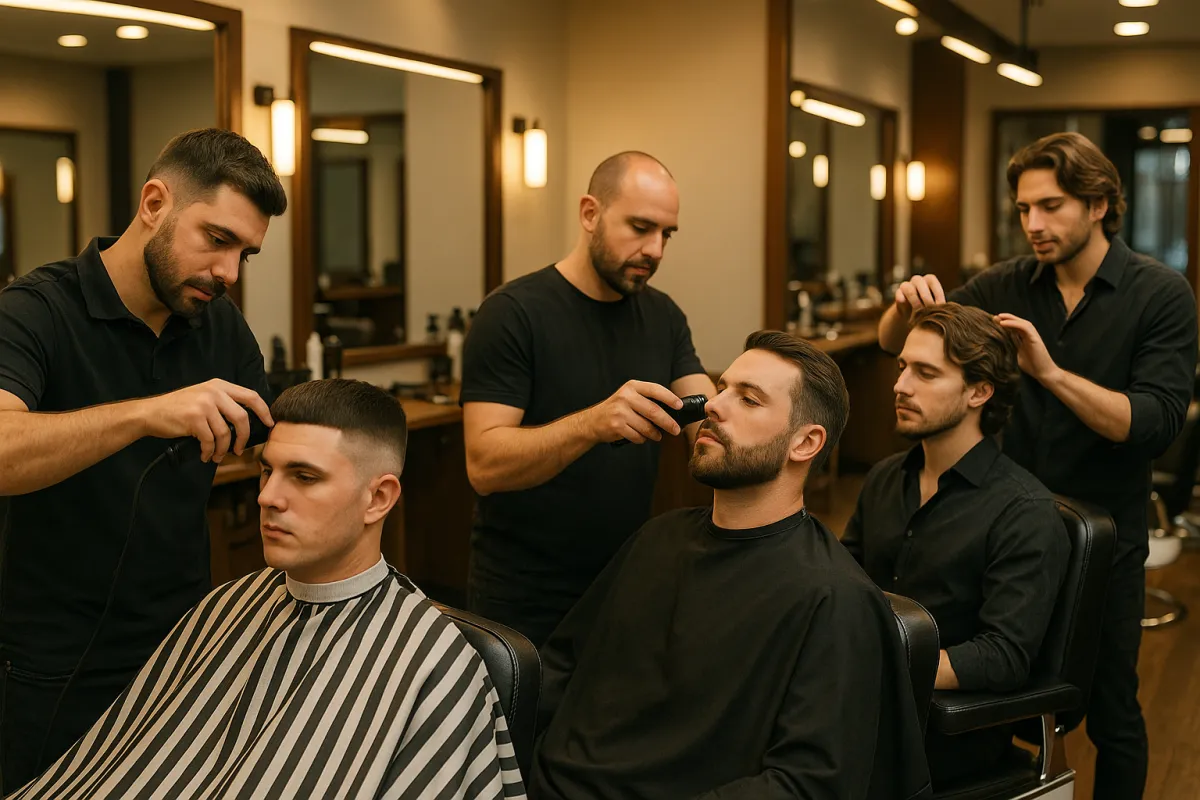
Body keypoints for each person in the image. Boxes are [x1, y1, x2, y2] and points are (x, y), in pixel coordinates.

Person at [10, 379, 526, 800]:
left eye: (304, 476)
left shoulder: (434, 664)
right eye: (267, 471)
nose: (268, 497)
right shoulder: (227, 607)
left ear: (378, 499)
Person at [876, 131, 1198, 800]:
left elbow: (1153, 424)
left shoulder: (1160, 294)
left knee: (1112, 710)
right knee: (997, 679)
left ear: (1100, 204)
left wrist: (1049, 373)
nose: (1034, 223)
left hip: (1102, 539)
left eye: (1051, 206)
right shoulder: (1006, 282)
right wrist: (902, 309)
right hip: (1005, 532)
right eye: (1024, 208)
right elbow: (897, 343)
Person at [0, 128, 287, 790]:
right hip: (47, 657)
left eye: (244, 254)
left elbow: (270, 431)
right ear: (155, 203)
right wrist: (145, 414)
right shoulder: (35, 311)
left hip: (179, 647)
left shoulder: (219, 325)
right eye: (216, 239)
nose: (228, 272)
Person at [529, 331, 931, 800]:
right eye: (722, 390)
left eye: (749, 399)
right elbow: (560, 672)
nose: (714, 406)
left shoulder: (834, 599)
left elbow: (808, 784)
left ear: (805, 443)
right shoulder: (659, 537)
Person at [461, 151, 716, 647]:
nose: (655, 249)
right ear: (590, 213)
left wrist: (756, 405)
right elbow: (484, 466)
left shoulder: (664, 316)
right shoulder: (513, 314)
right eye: (640, 227)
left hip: (625, 580)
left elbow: (705, 413)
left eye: (666, 234)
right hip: (525, 596)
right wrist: (592, 424)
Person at [845, 303, 1069, 788]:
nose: (901, 385)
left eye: (926, 373)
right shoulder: (885, 478)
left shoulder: (1023, 510)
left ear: (979, 392)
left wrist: (881, 666)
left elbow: (1004, 655)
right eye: (903, 367)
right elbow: (844, 583)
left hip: (944, 735)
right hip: (860, 706)